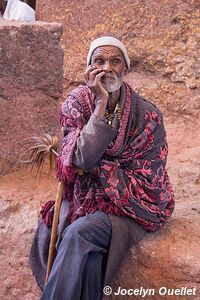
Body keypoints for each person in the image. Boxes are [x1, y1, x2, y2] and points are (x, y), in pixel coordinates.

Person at [29, 36, 175, 300]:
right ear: (88, 68)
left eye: (115, 61)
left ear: (125, 69)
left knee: (79, 232)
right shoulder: (77, 103)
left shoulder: (148, 116)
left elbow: (148, 176)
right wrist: (100, 104)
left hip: (128, 205)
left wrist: (100, 171)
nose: (107, 68)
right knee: (80, 245)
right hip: (83, 196)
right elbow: (81, 159)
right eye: (99, 61)